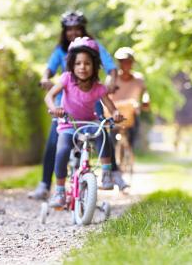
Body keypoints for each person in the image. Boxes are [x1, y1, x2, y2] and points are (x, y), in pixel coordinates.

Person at [28, 11, 126, 200]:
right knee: (55, 144)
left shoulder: (93, 48)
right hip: (64, 108)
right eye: (69, 30)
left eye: (77, 29)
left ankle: (112, 173)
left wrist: (112, 81)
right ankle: (47, 185)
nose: (73, 32)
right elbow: (49, 69)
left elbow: (109, 66)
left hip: (90, 103)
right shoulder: (61, 54)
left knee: (102, 131)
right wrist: (45, 78)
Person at [45, 38, 124, 207]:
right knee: (62, 150)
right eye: (78, 63)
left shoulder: (98, 87)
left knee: (103, 134)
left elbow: (111, 107)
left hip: (89, 122)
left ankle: (106, 173)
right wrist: (54, 108)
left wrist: (116, 114)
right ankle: (59, 191)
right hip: (68, 124)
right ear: (72, 65)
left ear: (95, 66)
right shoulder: (66, 79)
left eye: (87, 63)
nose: (82, 67)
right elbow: (49, 96)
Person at [107, 47, 150, 150]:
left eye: (128, 61)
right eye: (123, 61)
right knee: (111, 141)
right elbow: (105, 95)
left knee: (132, 138)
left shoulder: (138, 79)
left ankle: (129, 152)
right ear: (119, 63)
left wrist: (145, 100)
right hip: (115, 112)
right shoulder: (112, 79)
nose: (126, 64)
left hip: (131, 113)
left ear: (132, 63)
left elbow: (145, 92)